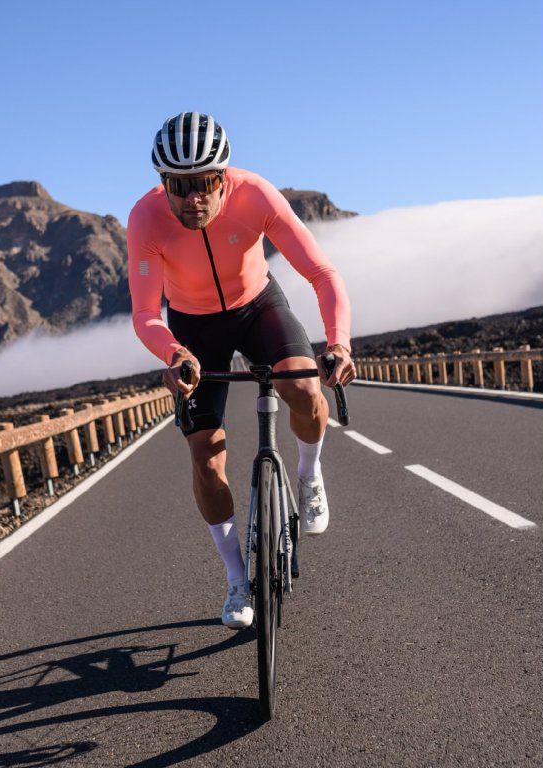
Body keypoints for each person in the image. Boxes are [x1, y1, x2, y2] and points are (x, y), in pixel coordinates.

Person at [126, 111, 356, 629]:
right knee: (206, 459)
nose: (193, 198)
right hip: (193, 328)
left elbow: (322, 274)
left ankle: (309, 472)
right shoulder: (145, 218)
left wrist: (339, 344)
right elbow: (144, 314)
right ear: (163, 183)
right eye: (179, 186)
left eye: (205, 183)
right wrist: (174, 354)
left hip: (259, 307)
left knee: (305, 390)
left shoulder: (255, 195)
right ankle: (236, 579)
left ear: (223, 176)